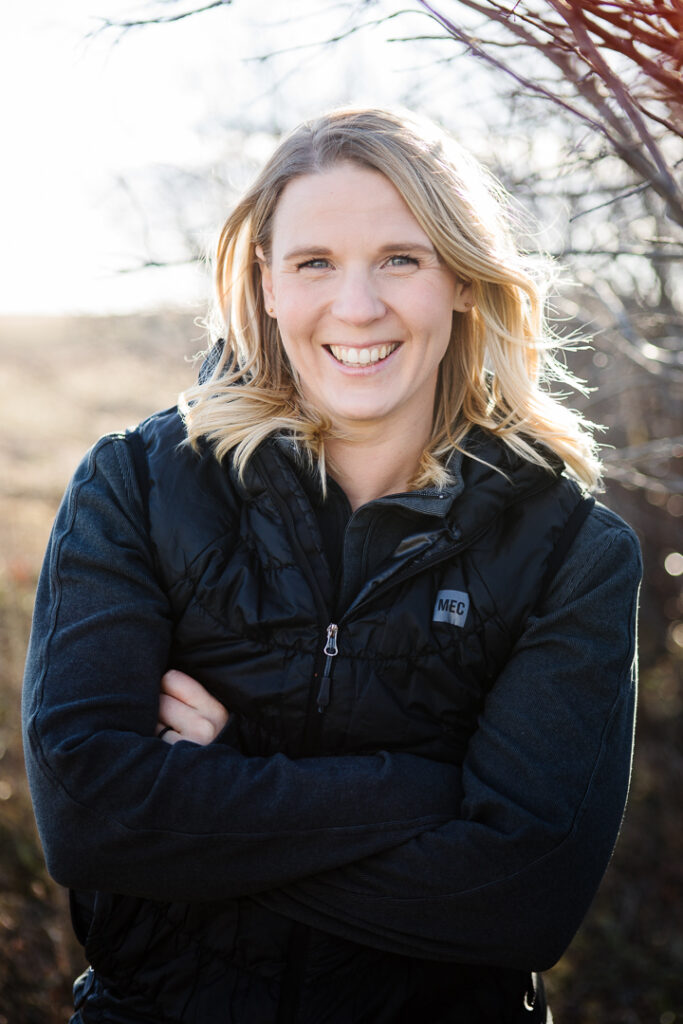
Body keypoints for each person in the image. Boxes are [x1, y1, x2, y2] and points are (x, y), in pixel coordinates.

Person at [22, 107, 641, 1024]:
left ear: (463, 283)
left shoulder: (570, 552)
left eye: (401, 258)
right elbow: (89, 819)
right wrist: (423, 791)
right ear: (265, 284)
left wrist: (218, 783)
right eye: (315, 263)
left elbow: (519, 903)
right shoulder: (138, 487)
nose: (357, 307)